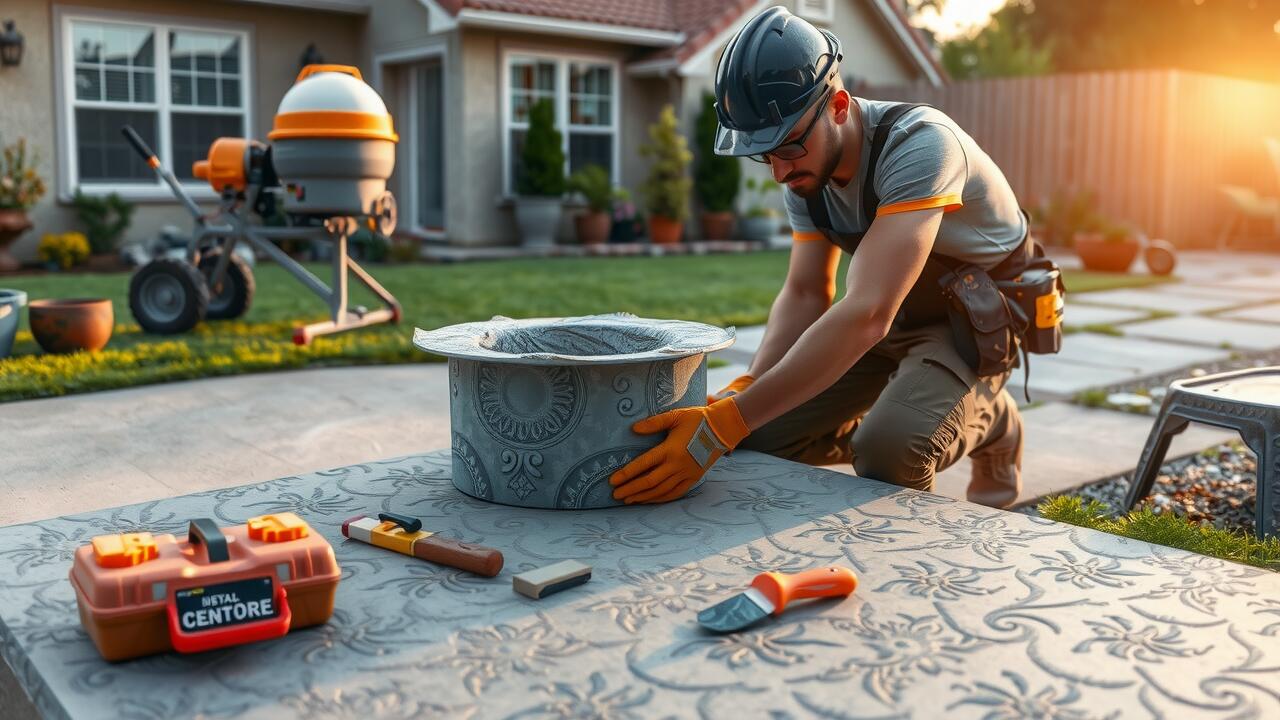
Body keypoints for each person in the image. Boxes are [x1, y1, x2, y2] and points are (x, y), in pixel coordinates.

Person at [609, 5, 1041, 509]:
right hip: (890, 317)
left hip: (974, 324)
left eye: (788, 147)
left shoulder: (922, 145)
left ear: (838, 105)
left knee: (890, 451)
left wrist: (720, 428)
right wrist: (745, 390)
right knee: (759, 435)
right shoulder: (803, 172)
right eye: (762, 153)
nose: (777, 172)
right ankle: (905, 416)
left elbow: (867, 315)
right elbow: (806, 291)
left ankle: (992, 420)